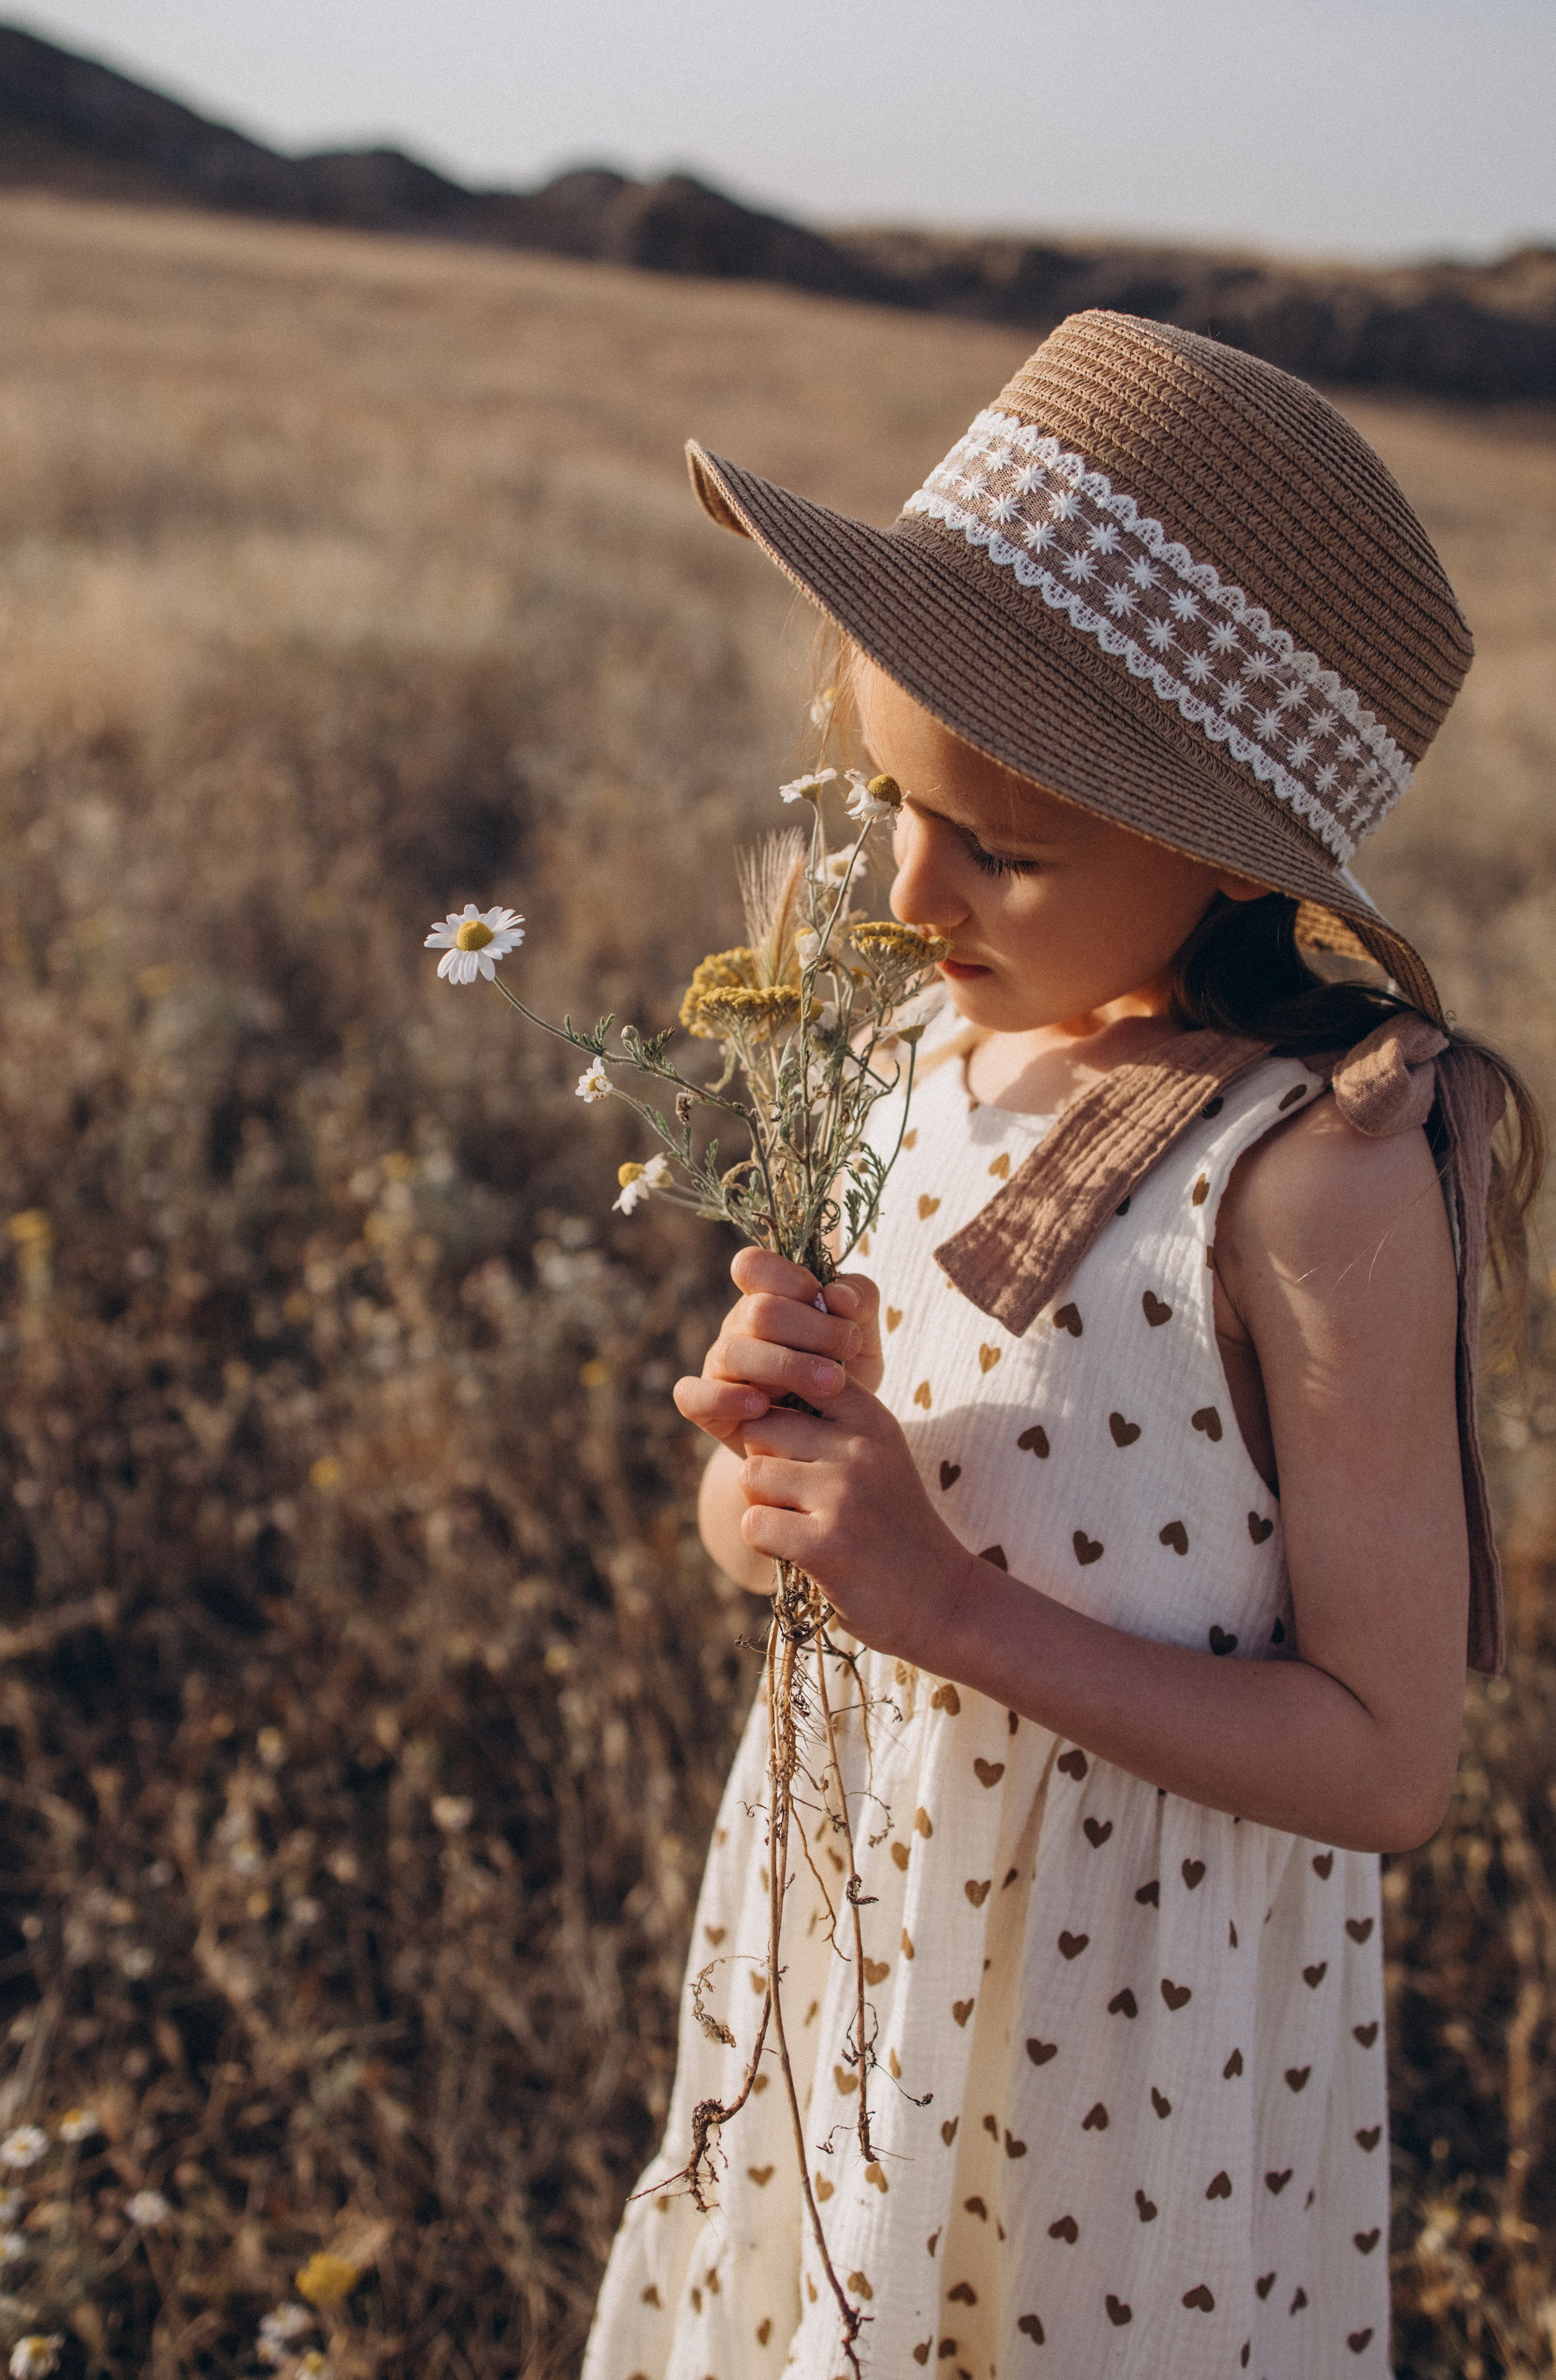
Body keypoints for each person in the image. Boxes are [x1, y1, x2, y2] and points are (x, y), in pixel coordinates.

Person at [581, 312, 1541, 2380]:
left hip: (1134, 2047)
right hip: (853, 1945)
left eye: (1006, 848)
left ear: (1229, 860)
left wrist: (945, 1601)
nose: (910, 899)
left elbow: (1387, 1764)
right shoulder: (914, 1051)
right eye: (886, 803)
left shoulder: (1325, 1173)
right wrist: (765, 1472)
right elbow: (767, 1563)